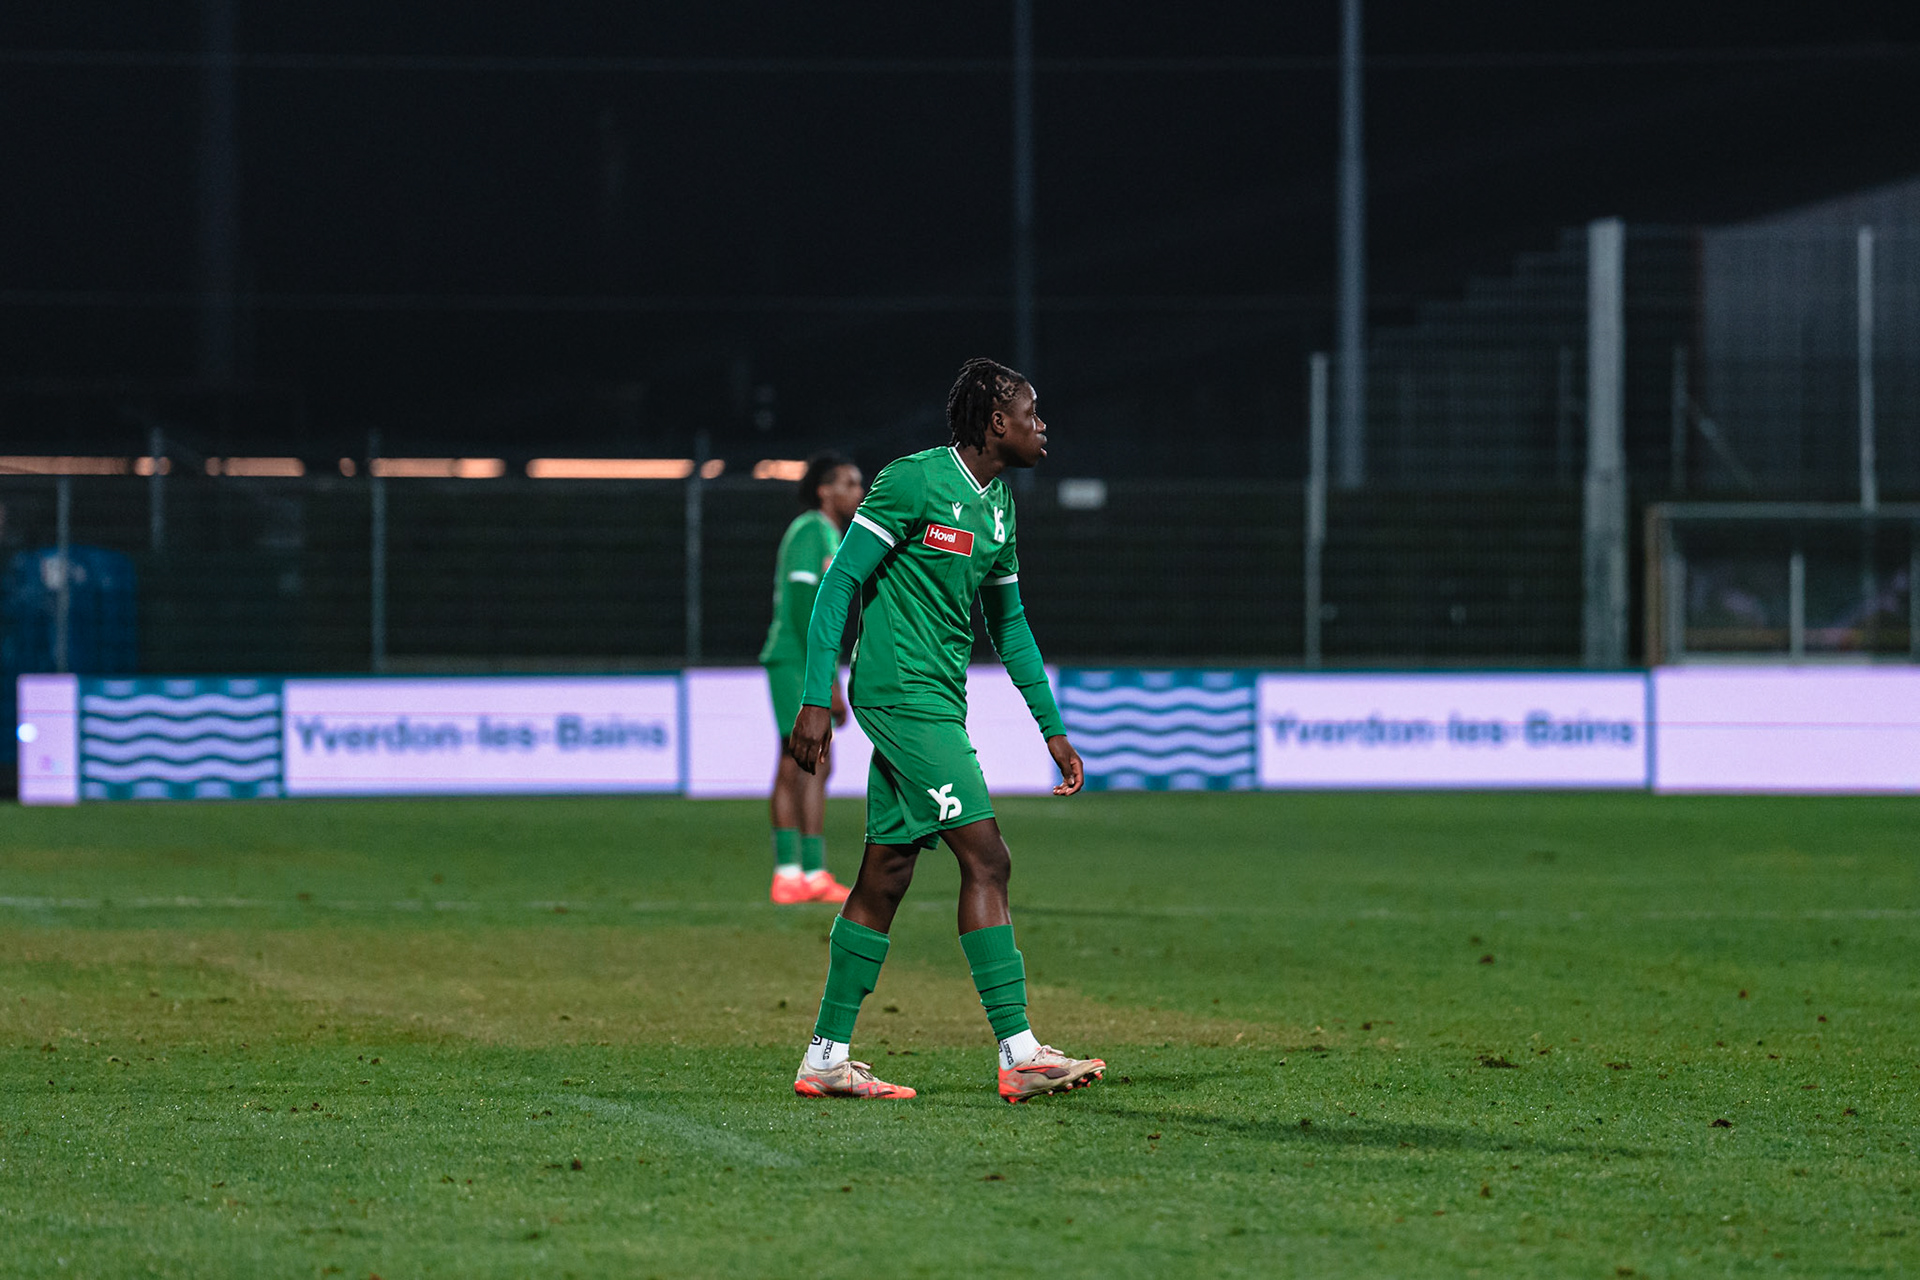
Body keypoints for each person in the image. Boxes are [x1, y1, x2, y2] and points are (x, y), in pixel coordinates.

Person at [786, 357, 1105, 1103]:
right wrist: (814, 694)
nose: (1041, 425)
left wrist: (1050, 728)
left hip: (939, 700)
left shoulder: (998, 509)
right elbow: (840, 583)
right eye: (1032, 412)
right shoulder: (912, 482)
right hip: (900, 696)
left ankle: (825, 1058)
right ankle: (1019, 1050)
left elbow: (1011, 625)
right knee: (988, 860)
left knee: (886, 874)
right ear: (997, 421)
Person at [758, 452, 864, 904]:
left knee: (801, 762)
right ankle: (801, 873)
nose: (859, 492)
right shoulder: (809, 530)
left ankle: (796, 873)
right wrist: (826, 685)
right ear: (825, 490)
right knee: (807, 761)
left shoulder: (828, 533)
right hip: (793, 659)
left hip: (800, 659)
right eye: (849, 483)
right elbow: (805, 610)